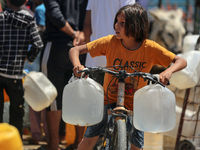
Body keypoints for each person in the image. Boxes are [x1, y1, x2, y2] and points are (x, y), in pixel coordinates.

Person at [69, 3, 187, 150]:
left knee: (137, 147)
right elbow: (75, 50)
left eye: (122, 23)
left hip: (137, 105)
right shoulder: (110, 42)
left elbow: (181, 61)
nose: (116, 26)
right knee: (88, 141)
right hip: (108, 100)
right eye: (116, 22)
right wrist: (78, 65)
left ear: (136, 25)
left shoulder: (150, 48)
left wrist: (167, 71)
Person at [41, 0, 88, 150]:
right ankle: (78, 143)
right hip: (81, 49)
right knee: (80, 95)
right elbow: (90, 16)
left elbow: (55, 15)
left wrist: (74, 33)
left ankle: (54, 144)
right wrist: (81, 34)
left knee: (53, 95)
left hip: (56, 45)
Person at [0, 0, 43, 137]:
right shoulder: (29, 20)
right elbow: (38, 44)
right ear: (25, 1)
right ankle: (15, 142)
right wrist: (28, 59)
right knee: (17, 114)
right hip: (16, 76)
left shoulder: (1, 18)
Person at [83, 0, 135, 85]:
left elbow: (87, 25)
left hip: (94, 60)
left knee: (95, 97)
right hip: (118, 63)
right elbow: (130, 24)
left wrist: (90, 54)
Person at [24, 0, 48, 145]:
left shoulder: (39, 9)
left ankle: (36, 134)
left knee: (35, 100)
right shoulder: (46, 8)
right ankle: (49, 133)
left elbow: (38, 36)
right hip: (47, 59)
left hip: (36, 60)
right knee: (47, 100)